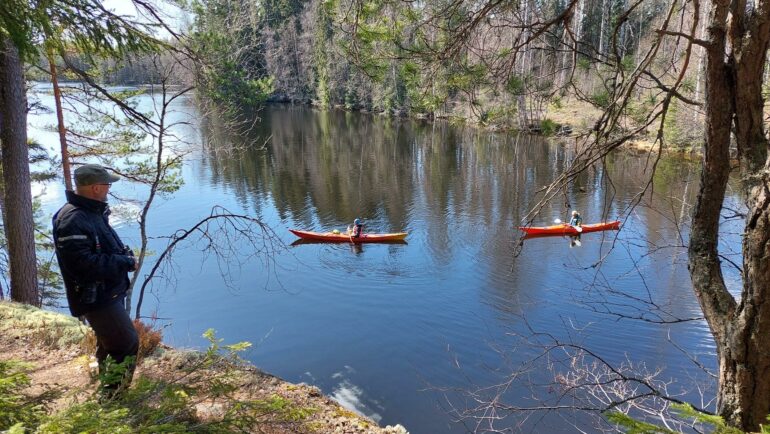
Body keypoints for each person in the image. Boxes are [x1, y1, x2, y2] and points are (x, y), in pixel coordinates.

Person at [52, 164, 138, 397]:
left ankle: (106, 388)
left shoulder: (90, 212)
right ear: (96, 188)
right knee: (126, 344)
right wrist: (124, 262)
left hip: (107, 291)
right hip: (97, 297)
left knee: (109, 343)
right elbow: (83, 266)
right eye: (107, 185)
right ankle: (114, 399)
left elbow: (96, 251)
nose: (109, 188)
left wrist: (121, 256)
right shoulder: (73, 219)